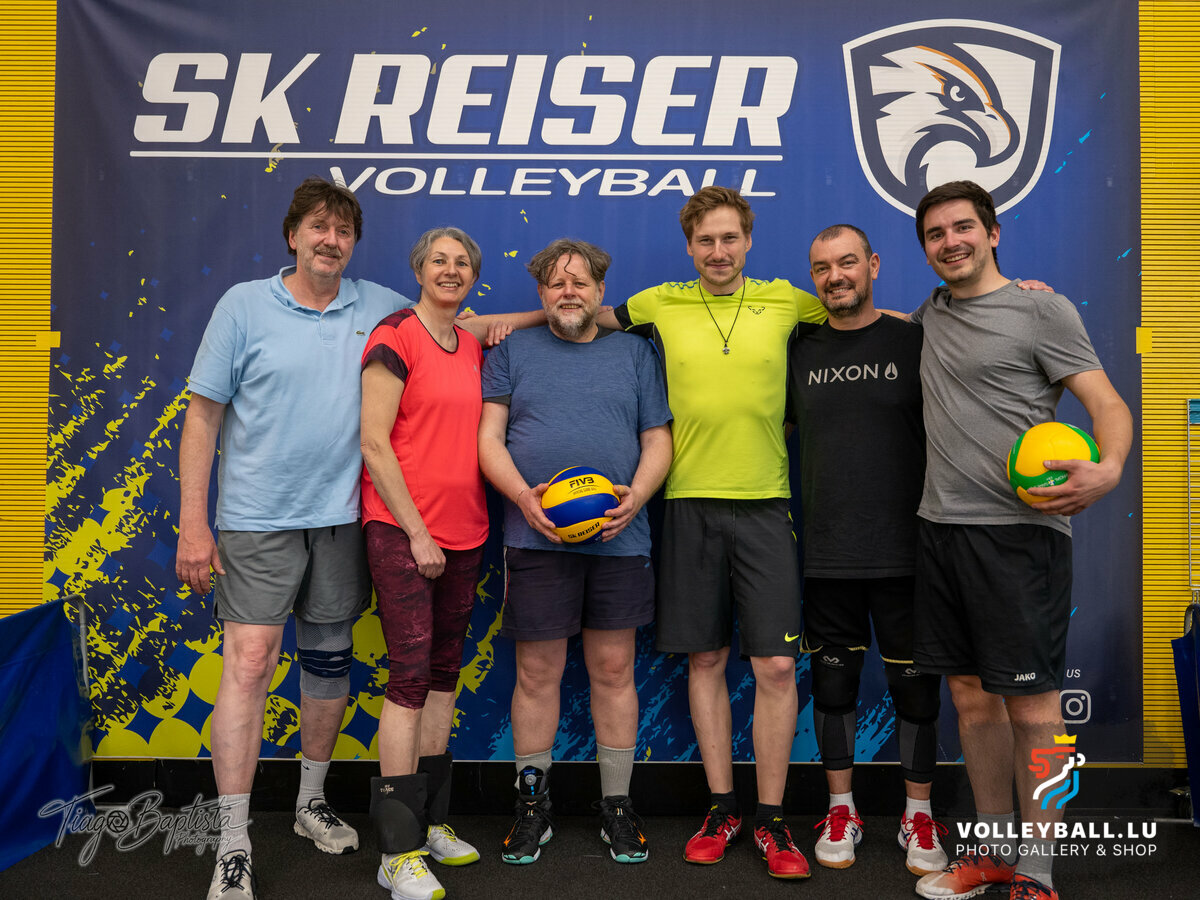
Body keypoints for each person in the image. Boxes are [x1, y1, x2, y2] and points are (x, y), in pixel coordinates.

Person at [177, 180, 531, 900]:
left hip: (341, 519)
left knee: (328, 664)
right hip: (257, 519)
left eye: (342, 231)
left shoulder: (377, 307)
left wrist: (556, 313)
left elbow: (461, 321)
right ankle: (234, 839)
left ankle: (310, 802)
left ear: (354, 244)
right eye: (318, 227)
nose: (330, 241)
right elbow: (203, 416)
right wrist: (194, 521)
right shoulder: (243, 306)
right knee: (250, 664)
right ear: (293, 236)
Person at [907, 181, 1132, 900]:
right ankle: (995, 852)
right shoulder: (931, 315)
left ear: (993, 232)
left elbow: (1106, 402)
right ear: (926, 249)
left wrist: (1110, 469)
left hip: (1021, 538)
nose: (951, 241)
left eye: (963, 227)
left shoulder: (1042, 309)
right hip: (941, 532)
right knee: (972, 703)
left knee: (1034, 708)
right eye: (936, 233)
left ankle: (1038, 871)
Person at [595, 186, 824, 879]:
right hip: (688, 504)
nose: (718, 252)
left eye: (729, 239)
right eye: (705, 241)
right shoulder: (659, 303)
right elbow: (583, 314)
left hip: (767, 504)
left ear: (747, 240)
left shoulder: (788, 301)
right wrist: (489, 324)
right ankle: (723, 808)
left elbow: (864, 315)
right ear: (689, 246)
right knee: (705, 661)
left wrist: (954, 306)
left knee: (776, 667)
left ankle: (772, 819)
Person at [477, 239, 673, 867]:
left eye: (580, 282)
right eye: (557, 283)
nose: (569, 292)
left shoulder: (636, 353)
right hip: (535, 538)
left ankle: (617, 806)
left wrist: (636, 497)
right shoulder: (513, 351)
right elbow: (488, 439)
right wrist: (523, 499)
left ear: (599, 291)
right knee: (538, 674)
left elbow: (658, 438)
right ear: (541, 294)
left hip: (620, 537)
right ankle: (532, 806)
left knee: (613, 670)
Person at [361, 227, 528, 900]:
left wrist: (557, 313)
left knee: (442, 677)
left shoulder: (468, 341)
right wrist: (417, 533)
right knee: (409, 678)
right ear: (419, 270)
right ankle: (396, 851)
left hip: (466, 534)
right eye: (439, 261)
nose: (450, 270)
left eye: (462, 263)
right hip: (405, 533)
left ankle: (430, 824)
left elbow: (500, 322)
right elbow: (374, 443)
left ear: (473, 276)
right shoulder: (394, 336)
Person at [787, 225, 946, 876]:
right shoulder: (796, 348)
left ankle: (918, 814)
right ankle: (841, 810)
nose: (836, 276)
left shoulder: (917, 338)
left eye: (847, 262)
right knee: (833, 686)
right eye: (822, 267)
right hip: (828, 551)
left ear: (873, 265)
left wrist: (1025, 294)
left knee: (916, 691)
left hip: (909, 550)